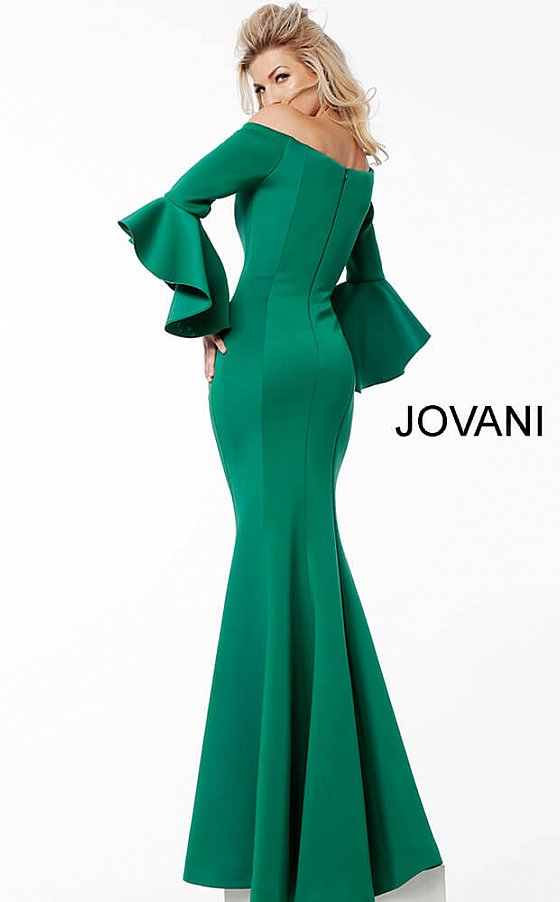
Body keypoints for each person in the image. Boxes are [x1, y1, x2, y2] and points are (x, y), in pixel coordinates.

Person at [117, 4, 446, 900]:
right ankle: (344, 822)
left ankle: (277, 833)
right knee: (305, 555)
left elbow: (176, 201)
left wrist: (210, 315)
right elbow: (365, 280)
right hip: (324, 365)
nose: (268, 94)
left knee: (272, 557)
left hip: (262, 364)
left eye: (283, 75)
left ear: (318, 68)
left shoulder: (268, 138)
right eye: (259, 84)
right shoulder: (356, 159)